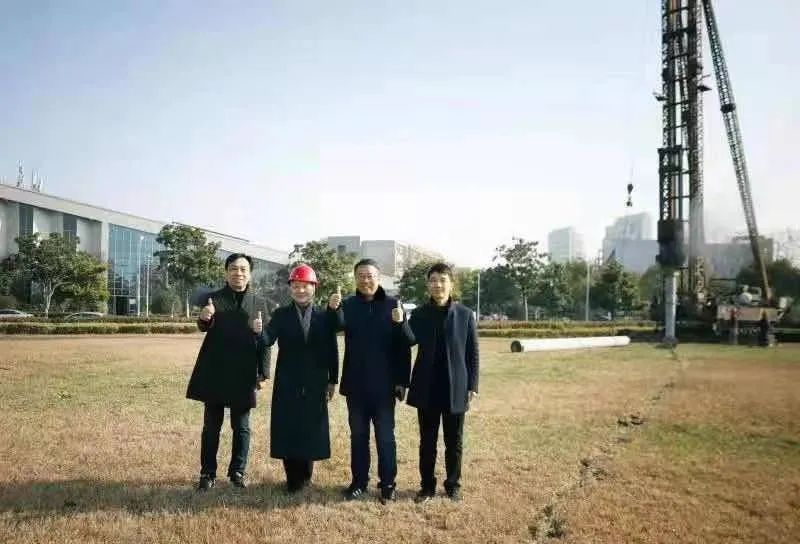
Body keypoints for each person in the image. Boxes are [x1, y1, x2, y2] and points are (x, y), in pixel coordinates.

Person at [328, 258, 411, 504]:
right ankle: (359, 482)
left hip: (385, 386)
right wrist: (333, 309)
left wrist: (402, 380)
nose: (366, 280)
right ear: (355, 279)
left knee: (385, 438)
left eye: (370, 275)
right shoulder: (349, 304)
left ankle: (388, 485)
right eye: (361, 276)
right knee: (358, 436)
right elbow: (335, 327)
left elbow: (406, 343)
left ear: (379, 277)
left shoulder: (393, 304)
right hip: (356, 385)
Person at [186, 253, 269, 490]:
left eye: (243, 269)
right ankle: (207, 473)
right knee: (211, 426)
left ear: (249, 274)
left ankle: (237, 472)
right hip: (216, 369)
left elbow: (265, 342)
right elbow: (204, 325)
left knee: (241, 427)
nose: (238, 273)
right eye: (233, 268)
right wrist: (204, 318)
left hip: (244, 372)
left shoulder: (259, 303)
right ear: (226, 272)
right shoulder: (214, 298)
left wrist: (263, 373)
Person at [401, 262, 479, 502]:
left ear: (451, 284)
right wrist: (401, 323)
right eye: (433, 280)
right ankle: (427, 486)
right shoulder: (420, 314)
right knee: (428, 441)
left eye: (442, 280)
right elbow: (408, 341)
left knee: (454, 441)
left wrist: (473, 385)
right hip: (427, 385)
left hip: (456, 387)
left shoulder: (465, 315)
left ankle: (453, 484)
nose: (437, 285)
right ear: (428, 285)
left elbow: (472, 352)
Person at [257, 264, 339, 492]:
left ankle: (306, 475)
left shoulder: (324, 316)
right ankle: (292, 479)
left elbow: (332, 349)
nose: (300, 290)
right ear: (290, 288)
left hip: (316, 380)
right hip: (288, 379)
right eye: (295, 286)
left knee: (311, 426)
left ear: (314, 287)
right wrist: (259, 331)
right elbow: (267, 339)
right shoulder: (281, 315)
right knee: (288, 426)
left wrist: (332, 380)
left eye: (305, 286)